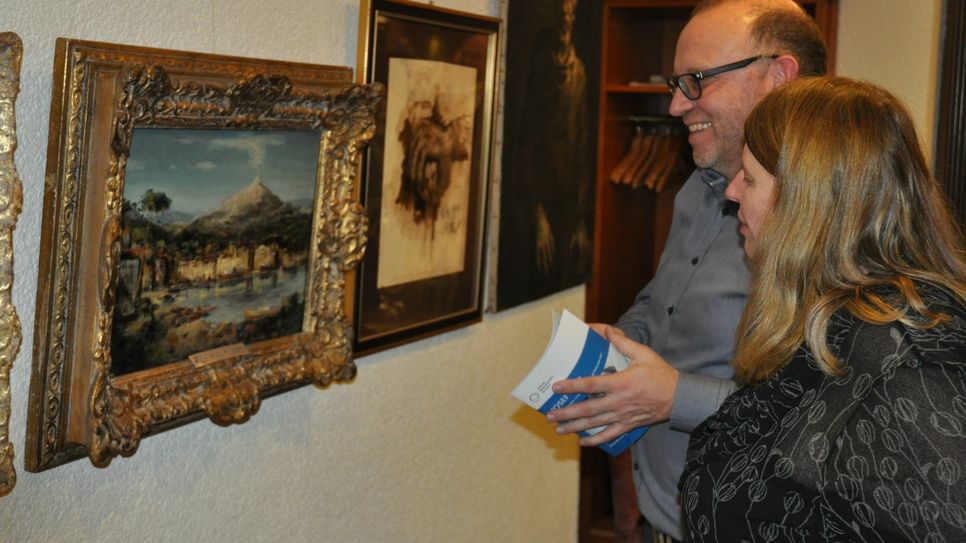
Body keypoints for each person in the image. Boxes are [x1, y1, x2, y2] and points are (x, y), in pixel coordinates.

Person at [546, 1, 827, 541]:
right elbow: (662, 299)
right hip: (664, 511)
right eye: (676, 83)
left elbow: (816, 414)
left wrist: (672, 396)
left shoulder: (829, 222)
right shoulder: (700, 184)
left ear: (779, 76)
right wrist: (617, 345)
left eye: (697, 80)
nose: (676, 104)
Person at [680, 75, 966, 541]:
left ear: (806, 203)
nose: (731, 192)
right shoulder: (824, 320)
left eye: (749, 178)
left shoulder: (909, 363)